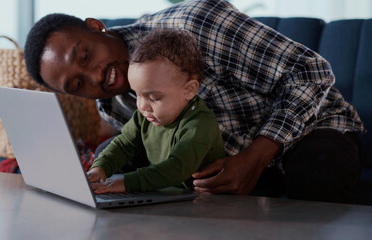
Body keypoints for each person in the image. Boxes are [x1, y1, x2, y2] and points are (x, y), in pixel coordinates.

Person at [24, 0, 364, 202]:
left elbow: (310, 72)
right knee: (108, 159)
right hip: (227, 165)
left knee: (317, 166)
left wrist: (255, 158)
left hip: (312, 131)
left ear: (96, 27)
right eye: (78, 84)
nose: (96, 76)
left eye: (85, 55)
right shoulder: (113, 104)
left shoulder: (193, 25)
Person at [86, 29, 225, 193]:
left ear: (189, 90)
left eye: (154, 98)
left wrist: (125, 183)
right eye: (138, 95)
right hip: (165, 194)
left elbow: (176, 169)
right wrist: (99, 168)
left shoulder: (200, 124)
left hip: (202, 201)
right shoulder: (145, 115)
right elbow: (124, 144)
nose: (142, 106)